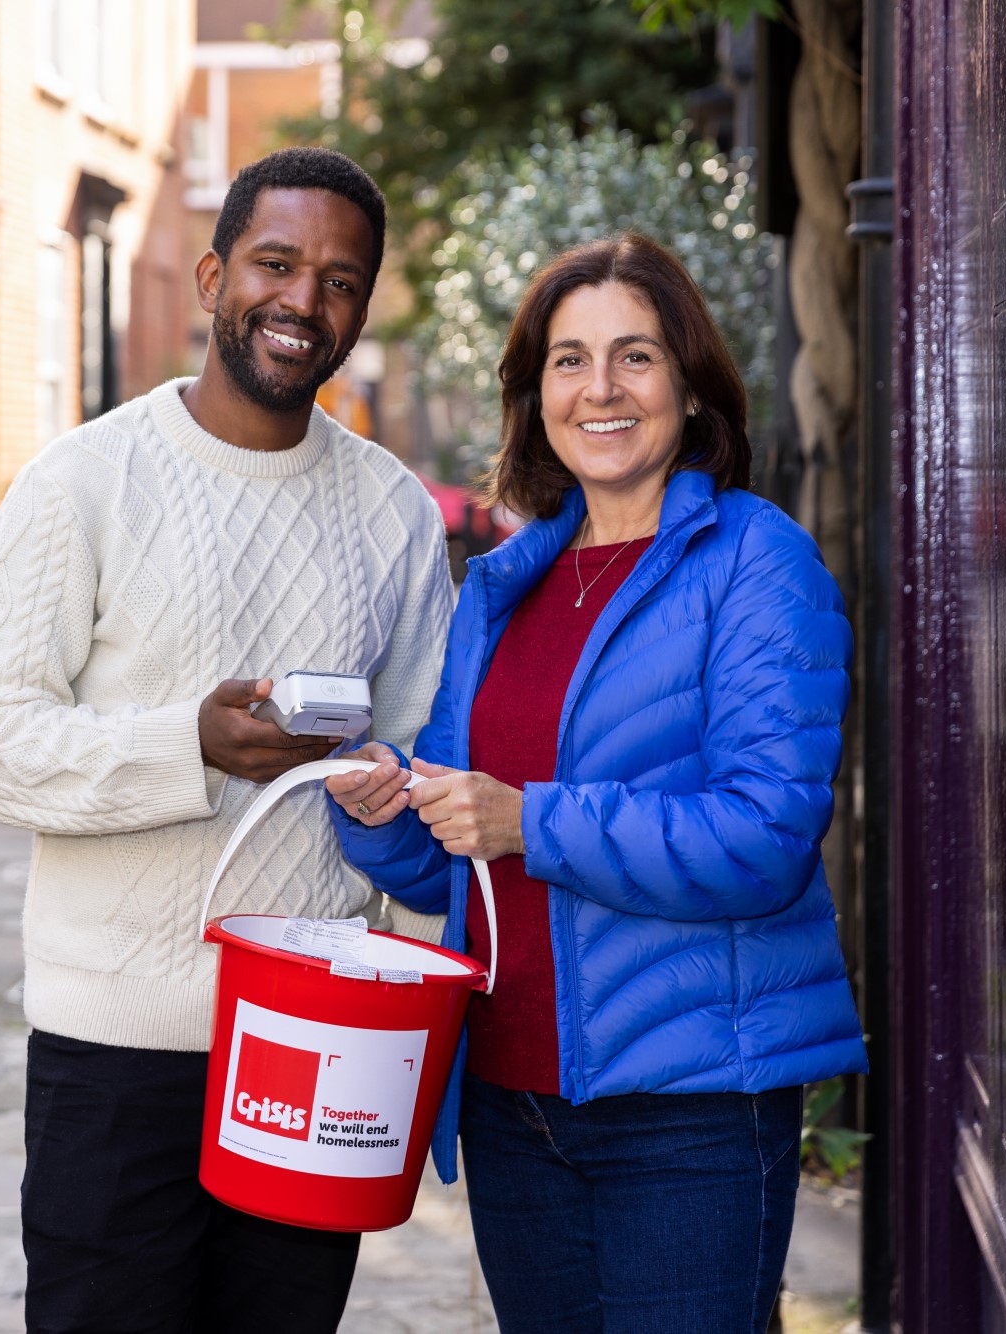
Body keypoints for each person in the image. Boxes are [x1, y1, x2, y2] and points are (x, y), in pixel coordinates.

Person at [0, 147, 453, 1334]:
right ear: (213, 275)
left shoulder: (393, 514)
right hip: (117, 1042)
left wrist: (391, 791)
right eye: (275, 264)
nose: (301, 301)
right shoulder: (83, 481)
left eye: (338, 280)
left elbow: (425, 760)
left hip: (318, 1036)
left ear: (360, 309)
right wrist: (191, 745)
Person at [324, 232, 867, 1333]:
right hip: (509, 1096)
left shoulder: (755, 562)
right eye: (567, 361)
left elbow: (764, 834)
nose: (599, 389)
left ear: (687, 381)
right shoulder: (504, 587)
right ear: (534, 397)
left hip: (691, 1106)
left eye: (634, 355)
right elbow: (454, 852)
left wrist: (529, 819)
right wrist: (383, 809)